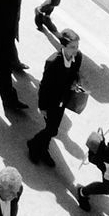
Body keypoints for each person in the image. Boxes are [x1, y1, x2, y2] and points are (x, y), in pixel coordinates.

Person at [26, 29, 83, 166]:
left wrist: (76, 82)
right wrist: (42, 106)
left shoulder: (78, 57)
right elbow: (44, 86)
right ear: (63, 46)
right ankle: (34, 144)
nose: (76, 50)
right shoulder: (53, 62)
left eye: (77, 46)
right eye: (72, 47)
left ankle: (43, 148)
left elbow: (75, 73)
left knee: (53, 127)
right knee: (52, 129)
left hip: (63, 100)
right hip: (51, 100)